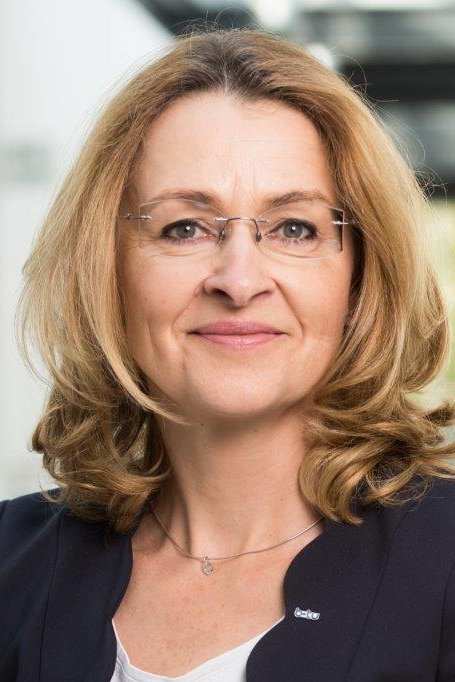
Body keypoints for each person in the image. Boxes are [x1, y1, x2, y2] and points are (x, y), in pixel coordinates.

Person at [1, 26, 455, 682]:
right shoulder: (11, 569)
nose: (238, 281)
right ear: (107, 269)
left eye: (294, 228)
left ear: (359, 277)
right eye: (183, 227)